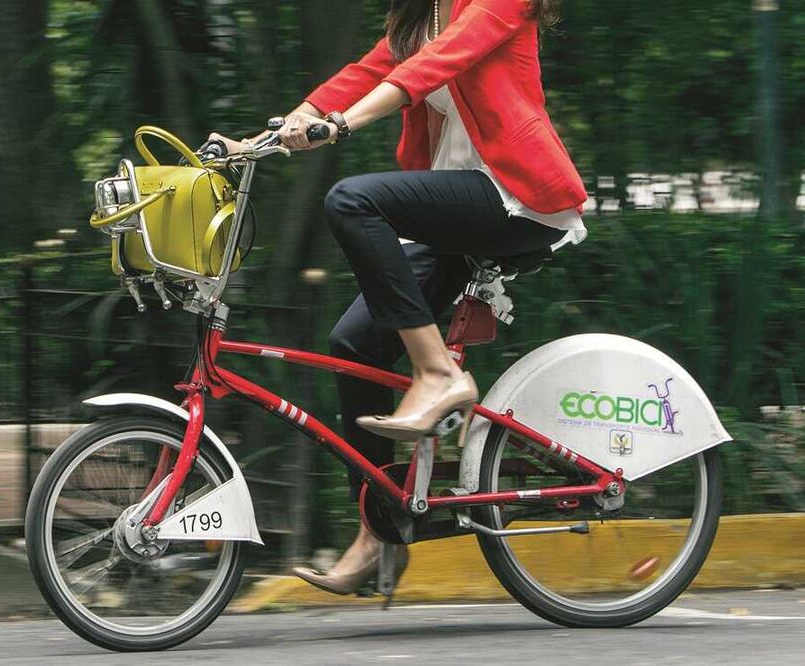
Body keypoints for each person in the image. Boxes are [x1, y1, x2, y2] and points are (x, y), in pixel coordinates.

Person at [211, 0, 587, 596]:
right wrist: (263, 139)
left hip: (517, 196)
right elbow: (359, 74)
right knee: (354, 343)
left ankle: (437, 372)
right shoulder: (420, 17)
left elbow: (438, 63)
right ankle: (381, 530)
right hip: (457, 213)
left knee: (352, 200)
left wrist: (342, 125)